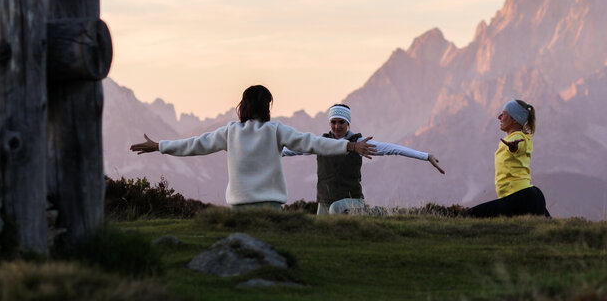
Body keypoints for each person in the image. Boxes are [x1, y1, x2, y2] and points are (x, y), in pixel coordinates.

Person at [129, 85, 377, 211]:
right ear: (266, 107)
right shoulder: (276, 130)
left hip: (238, 206)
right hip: (270, 206)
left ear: (243, 107)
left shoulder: (230, 132)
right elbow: (314, 142)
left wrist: (159, 146)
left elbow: (194, 145)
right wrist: (351, 146)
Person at [283, 103, 445, 215]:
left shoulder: (360, 144)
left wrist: (426, 156)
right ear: (329, 123)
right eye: (334, 122)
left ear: (348, 124)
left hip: (352, 200)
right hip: (324, 200)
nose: (337, 126)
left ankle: (374, 213)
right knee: (322, 233)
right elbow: (292, 150)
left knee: (336, 209)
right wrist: (266, 153)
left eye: (341, 122)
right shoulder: (321, 143)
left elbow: (393, 149)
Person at [464, 99, 550, 218]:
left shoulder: (519, 139)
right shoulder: (525, 137)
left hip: (521, 197)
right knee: (554, 231)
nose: (499, 117)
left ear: (514, 120)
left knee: (468, 216)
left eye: (504, 114)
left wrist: (513, 148)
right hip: (529, 195)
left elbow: (519, 147)